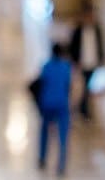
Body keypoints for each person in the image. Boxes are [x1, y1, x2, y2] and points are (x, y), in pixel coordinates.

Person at [33, 42, 75, 176]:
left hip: (47, 103)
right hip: (61, 104)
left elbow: (41, 83)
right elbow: (68, 86)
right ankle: (61, 165)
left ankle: (42, 158)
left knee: (44, 132)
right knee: (63, 135)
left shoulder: (46, 66)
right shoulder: (66, 67)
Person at [68, 6, 105, 119]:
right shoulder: (78, 30)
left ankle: (84, 107)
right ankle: (83, 109)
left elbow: (100, 45)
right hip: (82, 62)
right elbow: (73, 47)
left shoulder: (97, 29)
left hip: (93, 61)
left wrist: (101, 58)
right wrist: (75, 61)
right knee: (84, 85)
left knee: (89, 86)